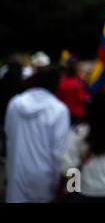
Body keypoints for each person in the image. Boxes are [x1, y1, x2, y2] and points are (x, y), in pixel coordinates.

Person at [5, 66, 70, 202]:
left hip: (16, 173)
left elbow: (8, 135)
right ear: (57, 84)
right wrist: (62, 185)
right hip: (44, 180)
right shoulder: (59, 110)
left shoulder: (15, 104)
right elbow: (59, 153)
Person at [56, 57, 88, 126]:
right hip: (76, 114)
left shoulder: (61, 82)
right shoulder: (78, 83)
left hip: (63, 113)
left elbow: (58, 97)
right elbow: (81, 98)